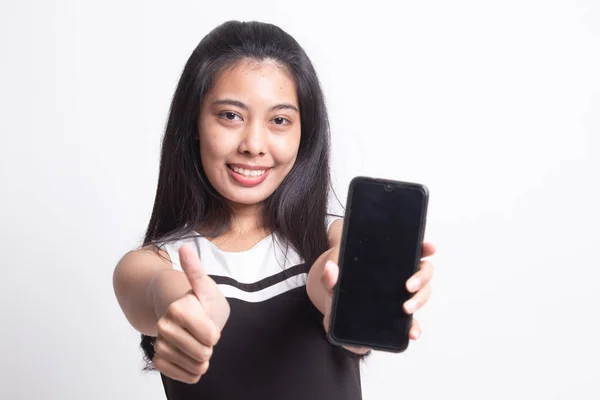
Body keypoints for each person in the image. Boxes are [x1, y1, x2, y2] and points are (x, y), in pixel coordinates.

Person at [112, 20, 436, 400]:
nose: (253, 144)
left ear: (305, 132)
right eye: (230, 115)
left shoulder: (331, 239)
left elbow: (328, 275)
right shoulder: (151, 264)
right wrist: (186, 309)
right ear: (194, 123)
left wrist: (354, 295)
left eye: (279, 121)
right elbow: (155, 290)